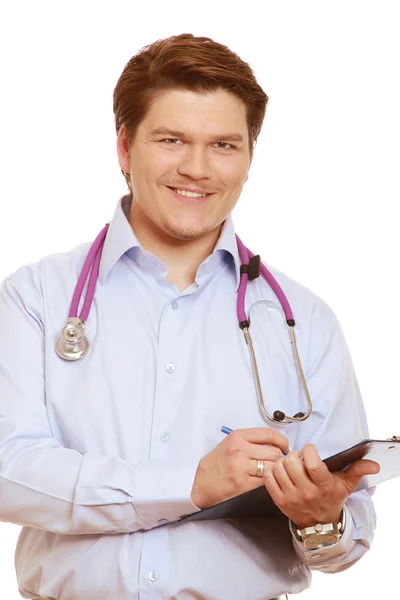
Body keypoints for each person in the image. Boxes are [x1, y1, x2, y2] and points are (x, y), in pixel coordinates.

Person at [0, 33, 379, 600]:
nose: (197, 168)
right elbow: (10, 472)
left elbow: (347, 536)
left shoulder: (304, 319)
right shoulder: (35, 298)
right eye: (171, 139)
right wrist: (192, 485)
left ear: (251, 157)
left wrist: (320, 518)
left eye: (224, 144)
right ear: (125, 148)